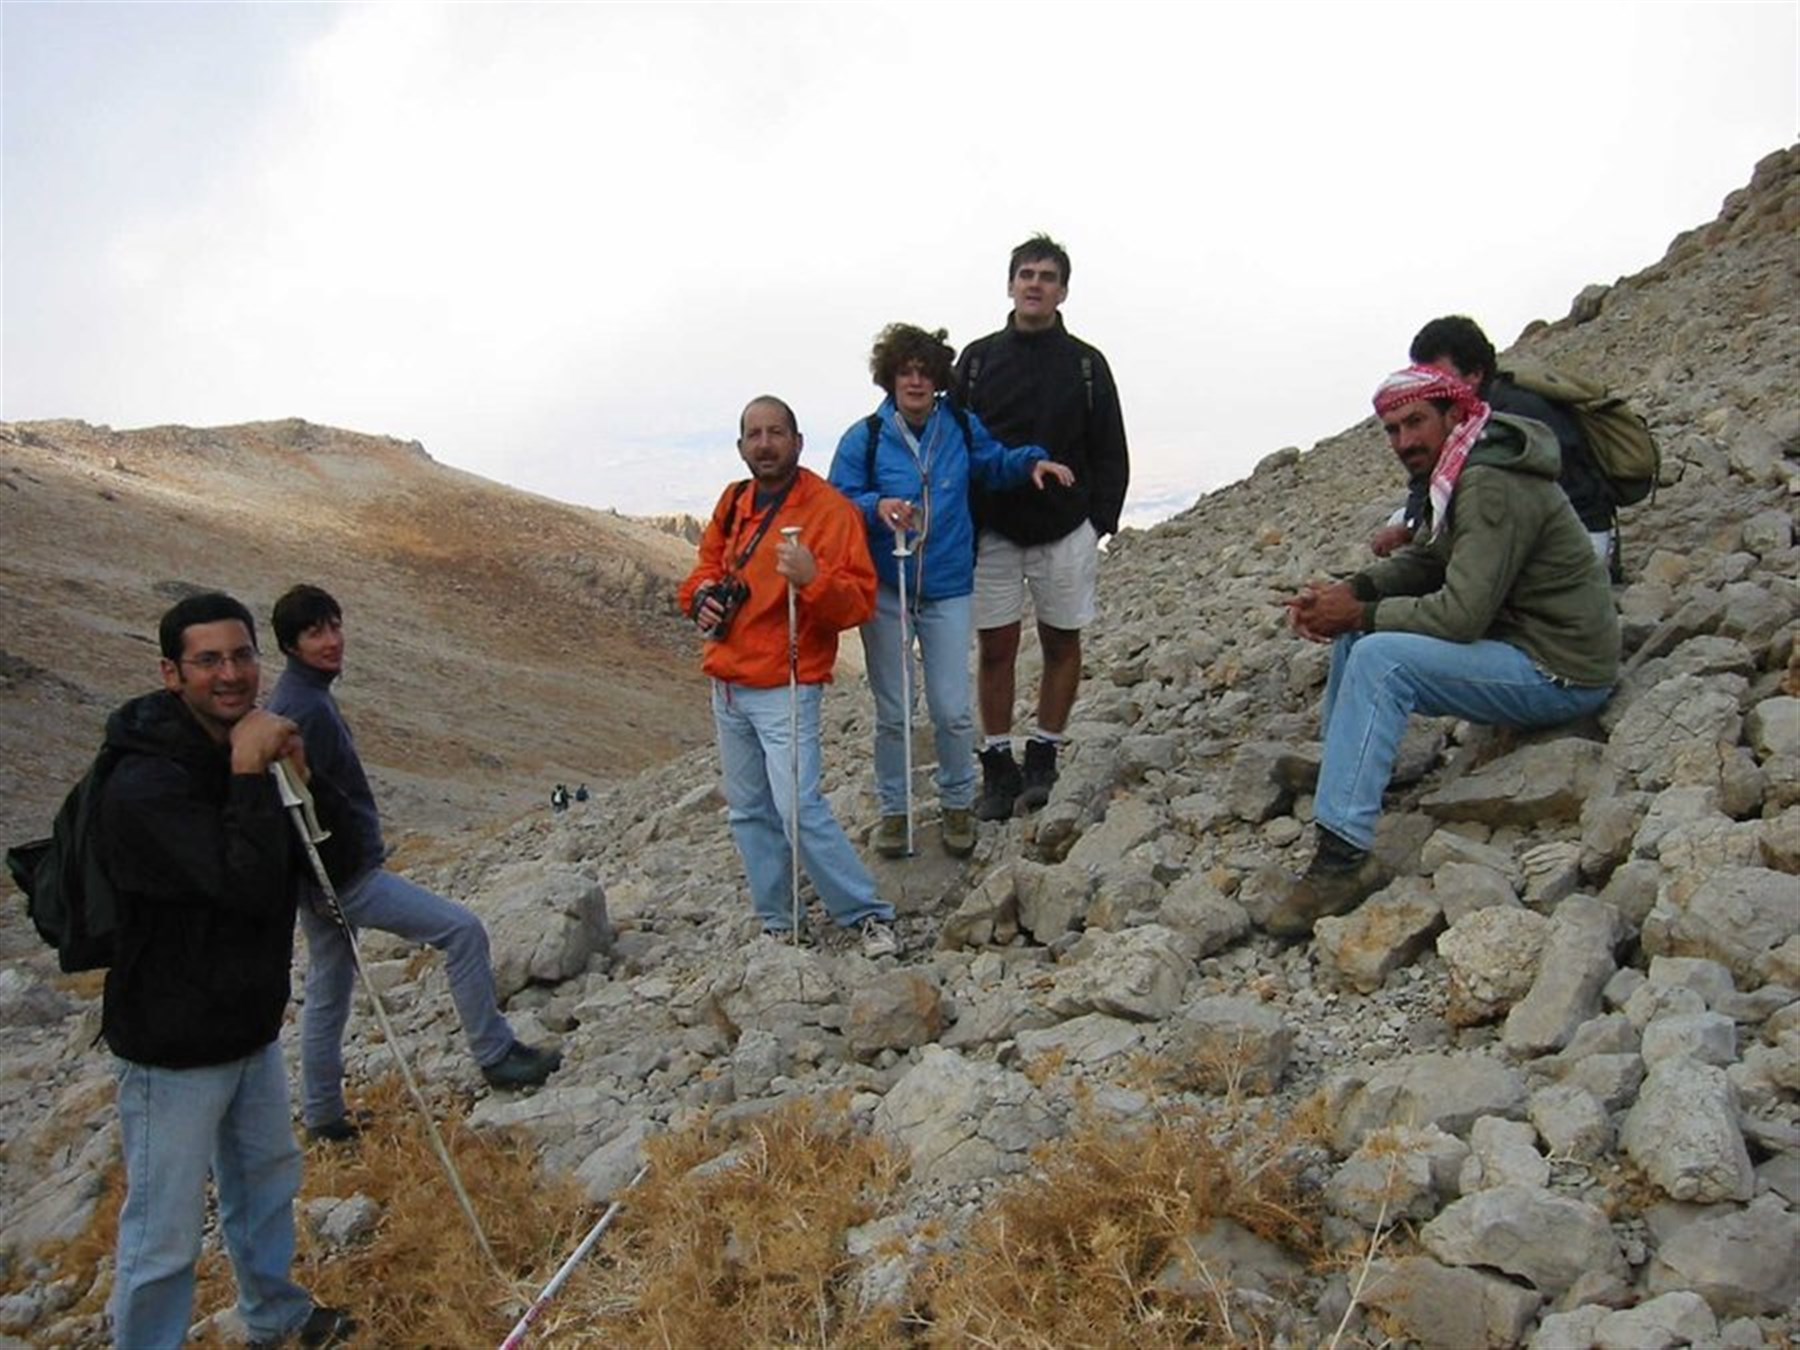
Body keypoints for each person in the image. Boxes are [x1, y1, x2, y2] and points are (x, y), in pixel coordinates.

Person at [1275, 367, 1619, 937]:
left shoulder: (1488, 483)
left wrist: (1359, 613)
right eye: (1391, 429)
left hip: (1560, 668)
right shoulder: (1463, 466)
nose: (1404, 440)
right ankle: (1344, 764)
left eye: (1415, 422)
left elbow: (1461, 615)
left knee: (1379, 656)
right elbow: (1432, 560)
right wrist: (1355, 591)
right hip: (1523, 642)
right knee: (1362, 635)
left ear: (1454, 414)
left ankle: (1342, 861)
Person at [99, 592, 354, 1349]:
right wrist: (249, 775)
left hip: (246, 1021)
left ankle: (276, 1314)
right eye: (208, 660)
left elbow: (330, 863)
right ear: (171, 674)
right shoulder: (142, 785)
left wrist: (301, 777)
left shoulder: (244, 745)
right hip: (171, 1042)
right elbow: (241, 887)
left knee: (268, 1179)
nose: (231, 674)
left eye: (242, 655)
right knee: (164, 1230)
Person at [268, 585, 560, 1144]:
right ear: (289, 645)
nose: (331, 641)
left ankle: (324, 1113)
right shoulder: (302, 710)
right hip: (345, 877)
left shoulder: (301, 698)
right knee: (462, 931)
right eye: (314, 632)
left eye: (334, 625)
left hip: (323, 880)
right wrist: (327, 881)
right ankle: (495, 1053)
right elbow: (298, 806)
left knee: (329, 989)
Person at [829, 323, 1073, 859]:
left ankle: (958, 803)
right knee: (894, 711)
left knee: (953, 708)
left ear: (939, 378)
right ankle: (895, 812)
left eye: (924, 372)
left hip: (947, 587)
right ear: (889, 378)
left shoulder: (959, 427)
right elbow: (839, 499)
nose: (915, 381)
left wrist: (1032, 461)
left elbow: (992, 461)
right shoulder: (864, 438)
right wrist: (877, 508)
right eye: (904, 372)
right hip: (888, 590)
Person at [678, 396, 899, 956]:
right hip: (728, 683)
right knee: (750, 811)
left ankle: (868, 916)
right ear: (741, 446)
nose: (765, 444)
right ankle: (780, 920)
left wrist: (813, 578)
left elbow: (857, 605)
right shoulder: (733, 503)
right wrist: (700, 598)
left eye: (776, 432)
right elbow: (705, 569)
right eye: (754, 434)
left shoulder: (830, 512)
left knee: (798, 808)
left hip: (786, 684)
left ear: (798, 442)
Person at [954, 233, 1129, 820]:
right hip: (995, 531)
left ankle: (1045, 753)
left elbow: (1110, 449)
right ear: (1010, 285)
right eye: (1026, 274)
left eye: (1047, 276)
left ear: (1063, 291)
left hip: (1064, 529)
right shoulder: (975, 362)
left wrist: (1095, 524)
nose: (1035, 284)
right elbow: (954, 444)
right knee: (996, 645)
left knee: (1061, 641)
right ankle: (998, 765)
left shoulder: (1086, 364)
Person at [1409, 315, 1616, 568]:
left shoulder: (1515, 415)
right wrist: (1412, 524)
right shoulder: (1460, 417)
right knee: (1402, 522)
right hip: (1519, 528)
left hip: (1575, 536)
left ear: (1474, 373)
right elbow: (1427, 480)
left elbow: (1505, 503)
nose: (1428, 389)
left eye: (1438, 379)